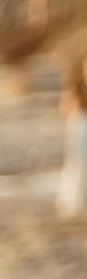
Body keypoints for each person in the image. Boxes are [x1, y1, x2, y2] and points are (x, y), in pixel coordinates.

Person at [56, 53, 86, 224]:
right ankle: (76, 199)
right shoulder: (76, 89)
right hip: (78, 129)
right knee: (76, 163)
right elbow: (64, 109)